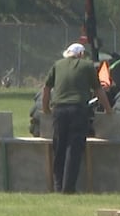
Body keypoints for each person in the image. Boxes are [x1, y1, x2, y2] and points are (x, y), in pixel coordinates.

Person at [42, 42, 113, 194]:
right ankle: (68, 189)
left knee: (59, 148)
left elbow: (46, 88)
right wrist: (108, 110)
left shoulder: (57, 65)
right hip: (78, 110)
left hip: (59, 110)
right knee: (73, 149)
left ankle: (58, 186)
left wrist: (45, 108)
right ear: (81, 54)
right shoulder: (87, 66)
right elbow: (99, 90)